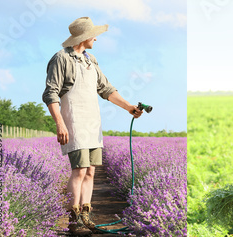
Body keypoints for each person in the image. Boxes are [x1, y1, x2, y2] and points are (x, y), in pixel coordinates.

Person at [42, 17, 145, 236]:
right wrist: (60, 124)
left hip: (92, 123)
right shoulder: (61, 59)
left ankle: (86, 216)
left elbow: (106, 89)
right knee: (78, 171)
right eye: (93, 35)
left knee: (90, 171)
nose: (96, 38)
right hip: (74, 123)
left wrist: (128, 107)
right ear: (83, 37)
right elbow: (50, 93)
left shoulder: (91, 60)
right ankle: (74, 218)